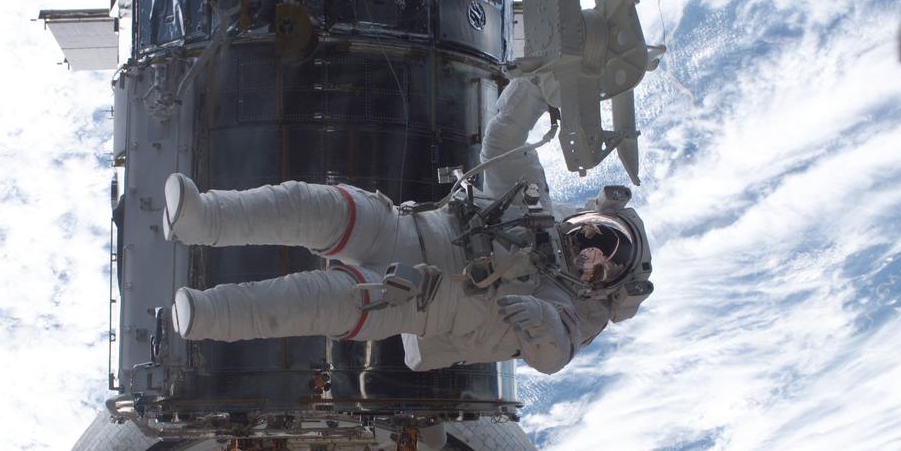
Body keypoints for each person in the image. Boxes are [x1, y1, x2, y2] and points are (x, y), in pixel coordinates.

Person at [162, 79, 653, 374]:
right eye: (596, 235)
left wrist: (541, 318)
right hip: (402, 230)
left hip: (420, 296)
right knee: (313, 205)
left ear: (600, 289)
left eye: (600, 262)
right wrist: (541, 85)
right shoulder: (533, 203)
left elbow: (553, 355)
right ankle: (203, 216)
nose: (589, 249)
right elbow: (505, 136)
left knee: (314, 300)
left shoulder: (561, 309)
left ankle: (208, 316)